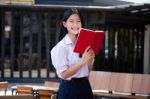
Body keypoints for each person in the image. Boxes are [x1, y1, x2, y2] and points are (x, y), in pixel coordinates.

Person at [51, 8, 95, 99]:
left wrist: (90, 60)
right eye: (71, 21)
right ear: (64, 24)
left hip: (85, 86)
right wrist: (82, 61)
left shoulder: (84, 44)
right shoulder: (61, 47)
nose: (75, 24)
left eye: (78, 21)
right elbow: (64, 74)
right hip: (69, 88)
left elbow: (88, 71)